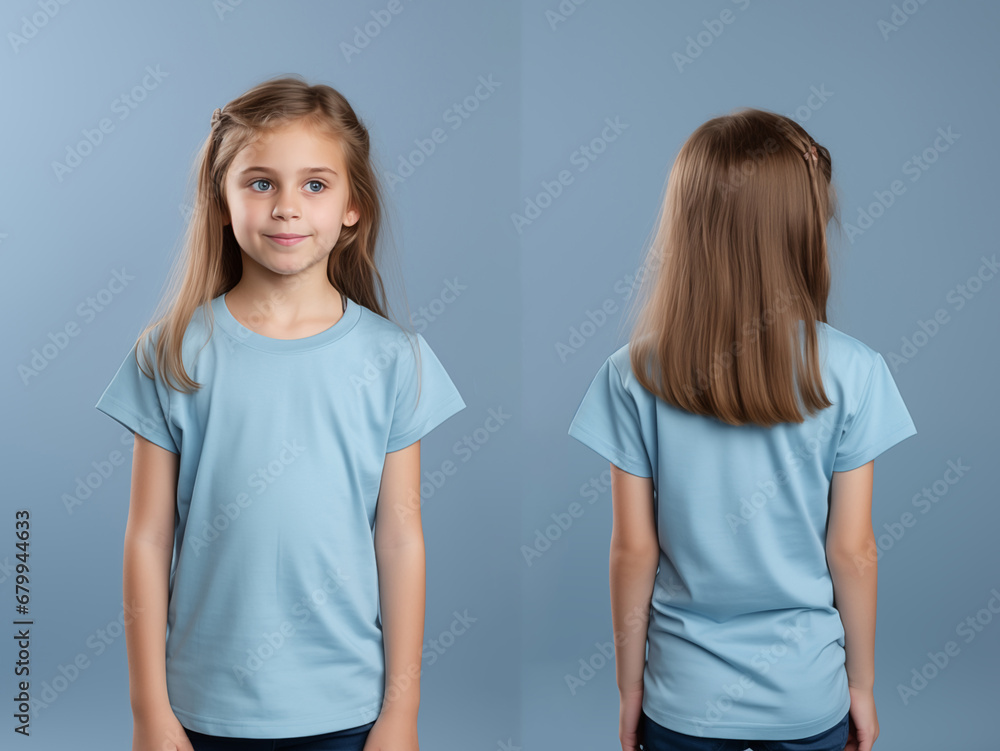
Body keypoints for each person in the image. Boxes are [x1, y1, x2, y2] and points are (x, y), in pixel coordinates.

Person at [95, 75, 465, 751]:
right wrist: (150, 710)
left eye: (315, 185)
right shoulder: (173, 352)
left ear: (354, 206)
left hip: (346, 709)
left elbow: (401, 540)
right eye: (261, 182)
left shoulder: (395, 360)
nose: (287, 208)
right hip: (201, 708)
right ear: (222, 200)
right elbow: (146, 538)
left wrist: (401, 714)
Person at [567, 108, 917, 751]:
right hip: (809, 698)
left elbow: (632, 553)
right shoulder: (857, 372)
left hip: (682, 704)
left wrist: (629, 692)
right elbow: (854, 552)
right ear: (801, 228)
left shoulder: (631, 374)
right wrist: (860, 688)